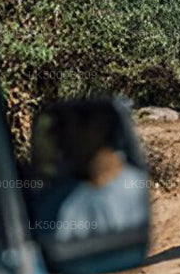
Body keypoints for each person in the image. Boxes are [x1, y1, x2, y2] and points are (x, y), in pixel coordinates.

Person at [43, 102, 148, 241]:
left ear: (97, 128)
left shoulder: (133, 188)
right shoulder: (69, 204)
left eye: (70, 128)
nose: (61, 141)